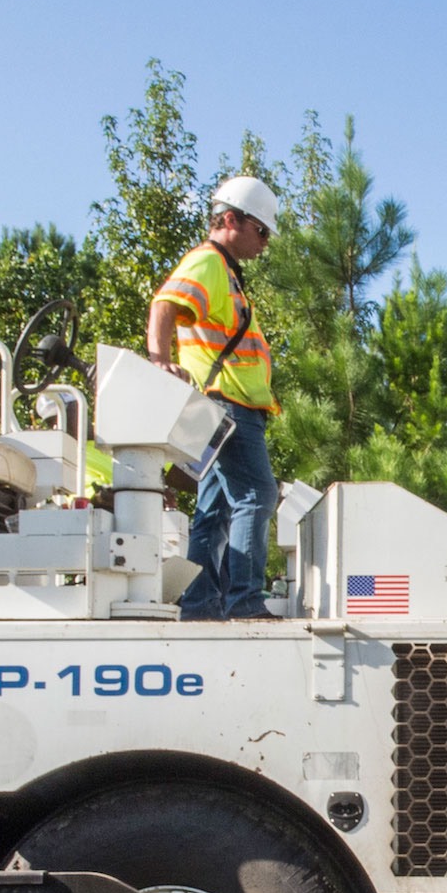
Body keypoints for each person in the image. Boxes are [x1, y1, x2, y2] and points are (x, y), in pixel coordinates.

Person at [147, 175, 282, 621]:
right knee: (256, 494)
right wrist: (158, 361)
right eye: (261, 230)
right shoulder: (207, 261)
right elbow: (164, 304)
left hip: (219, 406)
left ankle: (201, 604)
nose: (264, 242)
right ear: (229, 219)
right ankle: (244, 600)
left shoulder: (226, 273)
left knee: (214, 510)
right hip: (229, 404)